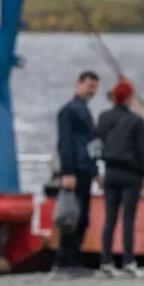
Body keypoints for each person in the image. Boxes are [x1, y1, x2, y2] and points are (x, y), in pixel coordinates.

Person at [94, 80, 144, 279]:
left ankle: (106, 261)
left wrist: (97, 169)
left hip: (110, 171)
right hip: (131, 175)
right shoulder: (136, 121)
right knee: (128, 219)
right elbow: (142, 152)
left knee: (109, 219)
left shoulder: (103, 118)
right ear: (129, 97)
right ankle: (128, 261)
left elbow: (96, 145)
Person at [54, 71, 100, 275]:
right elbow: (65, 143)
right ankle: (65, 262)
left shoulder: (84, 110)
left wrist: (95, 170)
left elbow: (90, 145)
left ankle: (73, 260)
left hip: (85, 168)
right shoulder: (69, 111)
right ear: (78, 84)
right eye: (89, 86)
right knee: (71, 216)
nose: (92, 90)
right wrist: (67, 171)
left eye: (95, 87)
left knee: (82, 217)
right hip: (75, 170)